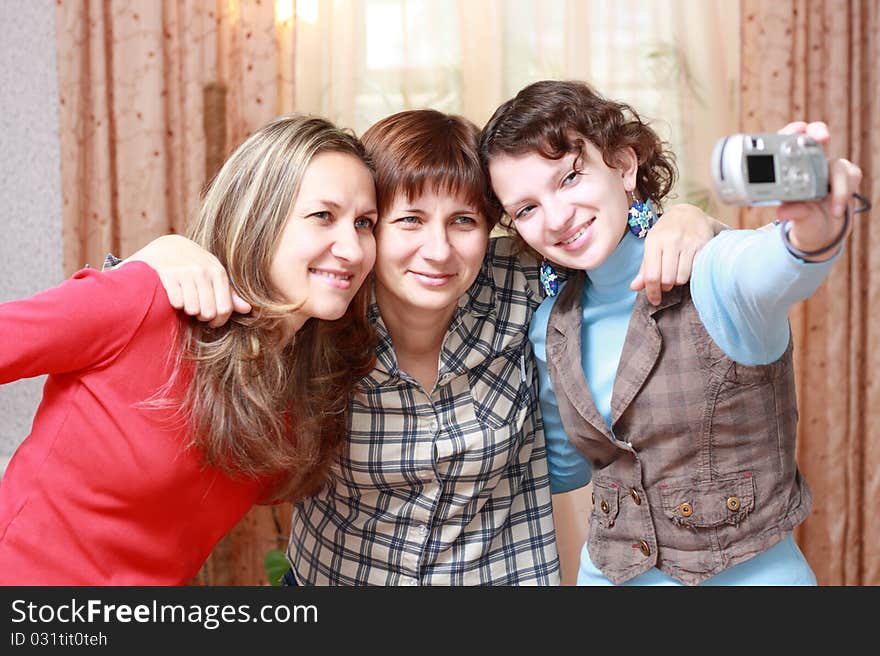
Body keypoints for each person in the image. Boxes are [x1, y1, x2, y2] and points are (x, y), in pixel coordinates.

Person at [136, 108, 724, 585]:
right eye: (410, 220)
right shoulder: (324, 308)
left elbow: (607, 232)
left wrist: (688, 221)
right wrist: (159, 255)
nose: (439, 252)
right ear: (369, 226)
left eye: (464, 222)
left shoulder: (524, 282)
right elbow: (191, 305)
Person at [479, 79, 864, 585]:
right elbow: (562, 467)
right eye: (525, 209)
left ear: (623, 165)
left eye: (569, 178)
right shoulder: (550, 324)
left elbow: (780, 262)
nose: (555, 218)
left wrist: (816, 225)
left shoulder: (713, 270)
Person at [0, 115, 379, 585]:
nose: (353, 248)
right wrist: (144, 262)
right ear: (258, 215)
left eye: (365, 223)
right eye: (324, 216)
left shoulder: (304, 388)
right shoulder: (146, 300)